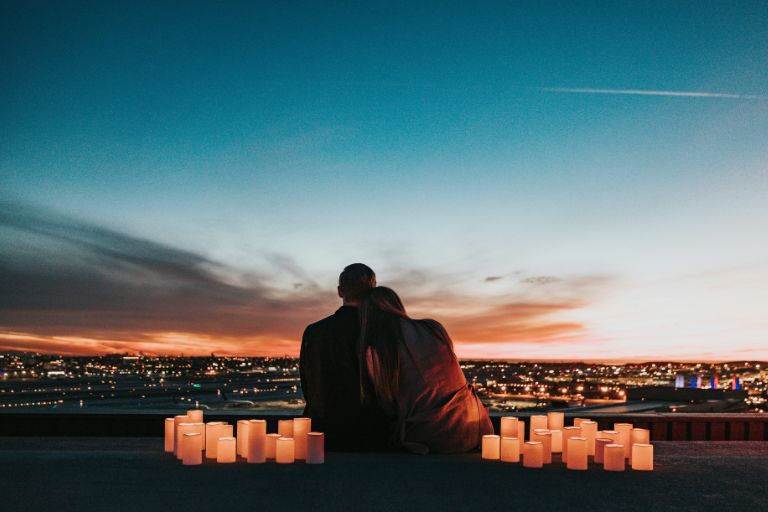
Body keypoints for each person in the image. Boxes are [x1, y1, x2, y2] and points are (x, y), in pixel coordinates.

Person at [358, 286, 493, 454]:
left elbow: (387, 404)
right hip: (476, 427)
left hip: (433, 437)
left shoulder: (378, 351)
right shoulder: (433, 328)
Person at [299, 263, 388, 450]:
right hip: (371, 434)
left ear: (340, 292)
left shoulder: (314, 332)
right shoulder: (381, 331)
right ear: (373, 291)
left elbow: (308, 385)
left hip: (322, 432)